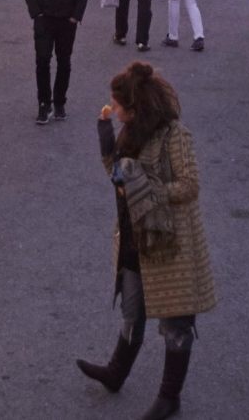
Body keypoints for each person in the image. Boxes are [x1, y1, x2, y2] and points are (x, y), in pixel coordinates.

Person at [77, 63, 217, 418]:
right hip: (134, 236)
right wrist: (105, 138)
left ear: (136, 108)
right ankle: (115, 373)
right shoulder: (128, 132)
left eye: (117, 104)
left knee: (175, 323)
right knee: (132, 309)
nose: (113, 108)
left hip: (168, 241)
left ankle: (169, 398)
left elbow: (189, 186)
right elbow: (119, 177)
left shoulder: (174, 135)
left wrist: (147, 192)